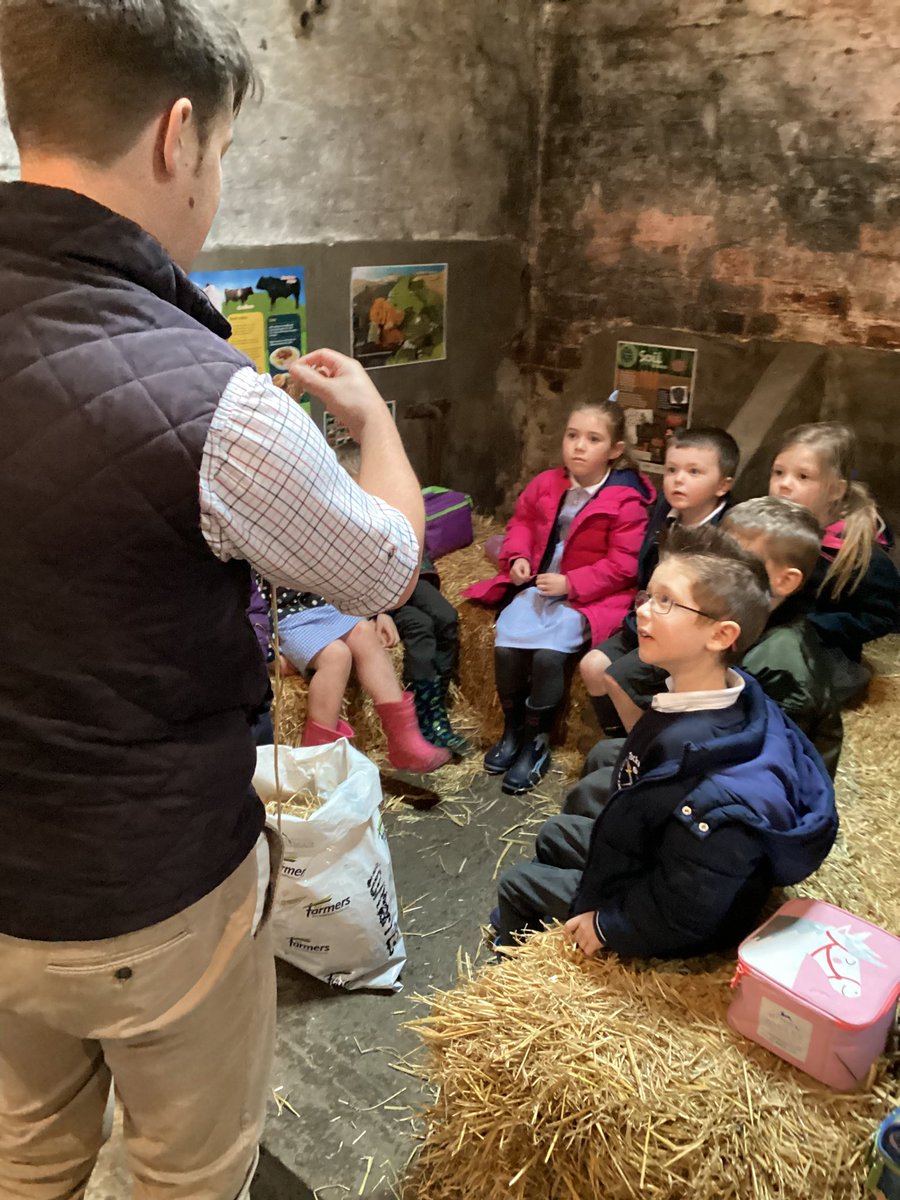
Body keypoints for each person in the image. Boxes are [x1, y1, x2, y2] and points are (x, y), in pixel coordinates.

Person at [0, 4, 426, 1197]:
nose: (217, 184)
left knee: (26, 1143)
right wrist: (373, 421)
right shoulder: (213, 400)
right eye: (228, 153)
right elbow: (384, 567)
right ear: (178, 136)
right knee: (189, 1165)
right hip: (143, 887)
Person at [493, 525, 838, 959]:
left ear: (720, 636)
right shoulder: (728, 691)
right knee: (556, 832)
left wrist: (606, 924)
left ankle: (508, 951)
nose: (643, 612)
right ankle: (536, 938)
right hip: (659, 856)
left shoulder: (717, 799)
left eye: (666, 601)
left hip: (677, 919)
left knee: (516, 884)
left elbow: (686, 914)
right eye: (648, 595)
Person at [564, 497, 844, 821]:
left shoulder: (783, 664)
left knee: (597, 792)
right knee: (605, 754)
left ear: (785, 580)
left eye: (737, 557)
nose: (714, 564)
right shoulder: (736, 618)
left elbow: (758, 765)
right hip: (710, 754)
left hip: (747, 802)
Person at [464, 398, 654, 795]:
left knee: (550, 656)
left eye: (593, 439)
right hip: (542, 585)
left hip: (590, 596)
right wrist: (516, 555)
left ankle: (538, 740)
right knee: (506, 647)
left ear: (615, 451)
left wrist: (572, 584)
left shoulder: (626, 501)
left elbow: (623, 566)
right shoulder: (548, 484)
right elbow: (522, 523)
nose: (578, 446)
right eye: (572, 436)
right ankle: (512, 731)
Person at [579, 426, 738, 735]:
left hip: (687, 634)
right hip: (648, 618)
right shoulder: (665, 511)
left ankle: (645, 748)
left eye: (694, 472)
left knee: (618, 676)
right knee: (592, 665)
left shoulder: (727, 534)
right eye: (671, 469)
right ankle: (620, 739)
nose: (678, 479)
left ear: (722, 485)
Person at [336, 444, 469, 754]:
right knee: (420, 627)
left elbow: (415, 547)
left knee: (446, 617)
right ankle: (423, 713)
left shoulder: (388, 503)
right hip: (375, 595)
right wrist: (378, 612)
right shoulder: (344, 518)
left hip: (407, 578)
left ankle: (437, 699)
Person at [769, 421, 900, 703]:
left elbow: (881, 615)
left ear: (835, 490)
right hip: (769, 635)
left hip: (822, 647)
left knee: (814, 692)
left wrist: (816, 627)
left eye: (803, 477)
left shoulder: (858, 555)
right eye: (778, 472)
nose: (784, 484)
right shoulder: (764, 532)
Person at [260, 579, 451, 772]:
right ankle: (317, 758)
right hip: (281, 619)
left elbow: (351, 568)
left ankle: (404, 739)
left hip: (326, 605)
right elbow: (249, 603)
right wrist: (268, 652)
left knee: (364, 632)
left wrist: (379, 612)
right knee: (336, 656)